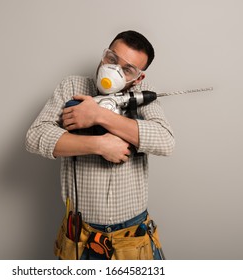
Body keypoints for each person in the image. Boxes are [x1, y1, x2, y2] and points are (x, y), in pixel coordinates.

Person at [26, 30, 175, 260]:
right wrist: (100, 145)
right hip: (80, 237)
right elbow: (36, 137)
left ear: (138, 78)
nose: (114, 69)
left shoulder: (142, 95)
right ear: (104, 55)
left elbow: (165, 141)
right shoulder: (72, 86)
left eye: (127, 69)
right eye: (112, 59)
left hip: (131, 238)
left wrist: (98, 116)